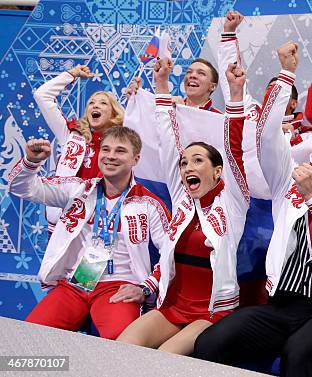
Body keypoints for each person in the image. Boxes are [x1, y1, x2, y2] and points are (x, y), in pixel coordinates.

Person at [192, 41, 312, 377]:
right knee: (209, 343)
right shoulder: (287, 184)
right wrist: (287, 73)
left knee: (298, 356)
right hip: (280, 305)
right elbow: (265, 137)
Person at [115, 58, 251, 355]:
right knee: (122, 348)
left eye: (198, 160)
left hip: (211, 311)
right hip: (173, 306)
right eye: (185, 161)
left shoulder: (233, 204)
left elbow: (235, 150)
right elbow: (167, 139)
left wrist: (237, 94)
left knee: (165, 359)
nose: (189, 165)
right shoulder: (182, 200)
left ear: (217, 171)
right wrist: (162, 85)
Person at [8, 127, 169, 340]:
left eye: (120, 151)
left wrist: (145, 288)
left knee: (123, 347)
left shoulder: (150, 203)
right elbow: (21, 188)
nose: (110, 156)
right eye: (106, 149)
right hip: (75, 284)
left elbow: (170, 253)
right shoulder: (77, 189)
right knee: (27, 340)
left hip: (117, 288)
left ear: (135, 159)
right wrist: (31, 162)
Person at [33, 65, 124, 234]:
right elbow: (42, 96)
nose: (95, 106)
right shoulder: (70, 133)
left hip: (95, 225)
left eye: (103, 103)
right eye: (91, 103)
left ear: (113, 113)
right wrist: (72, 74)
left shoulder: (122, 143)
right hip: (62, 222)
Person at [219, 11, 311, 145]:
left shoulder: (305, 136)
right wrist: (229, 32)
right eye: (270, 90)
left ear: (293, 103)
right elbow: (231, 82)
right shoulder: (251, 112)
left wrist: (288, 71)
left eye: (279, 93)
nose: (273, 95)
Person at [125, 57, 220, 112]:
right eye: (189, 72)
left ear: (212, 86)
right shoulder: (169, 107)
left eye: (201, 73)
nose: (192, 76)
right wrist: (138, 100)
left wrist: (183, 111)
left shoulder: (219, 119)